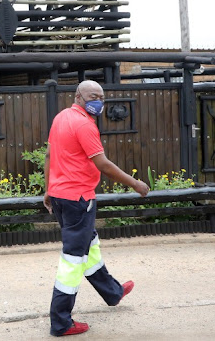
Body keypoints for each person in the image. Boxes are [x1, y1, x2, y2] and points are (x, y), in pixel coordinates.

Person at [43, 80, 149, 337]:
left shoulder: (61, 117)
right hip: (78, 200)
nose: (98, 101)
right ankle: (61, 322)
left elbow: (48, 155)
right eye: (93, 96)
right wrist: (136, 184)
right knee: (73, 260)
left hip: (61, 197)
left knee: (89, 246)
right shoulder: (83, 125)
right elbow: (103, 164)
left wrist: (47, 189)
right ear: (78, 96)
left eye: (101, 97)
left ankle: (112, 293)